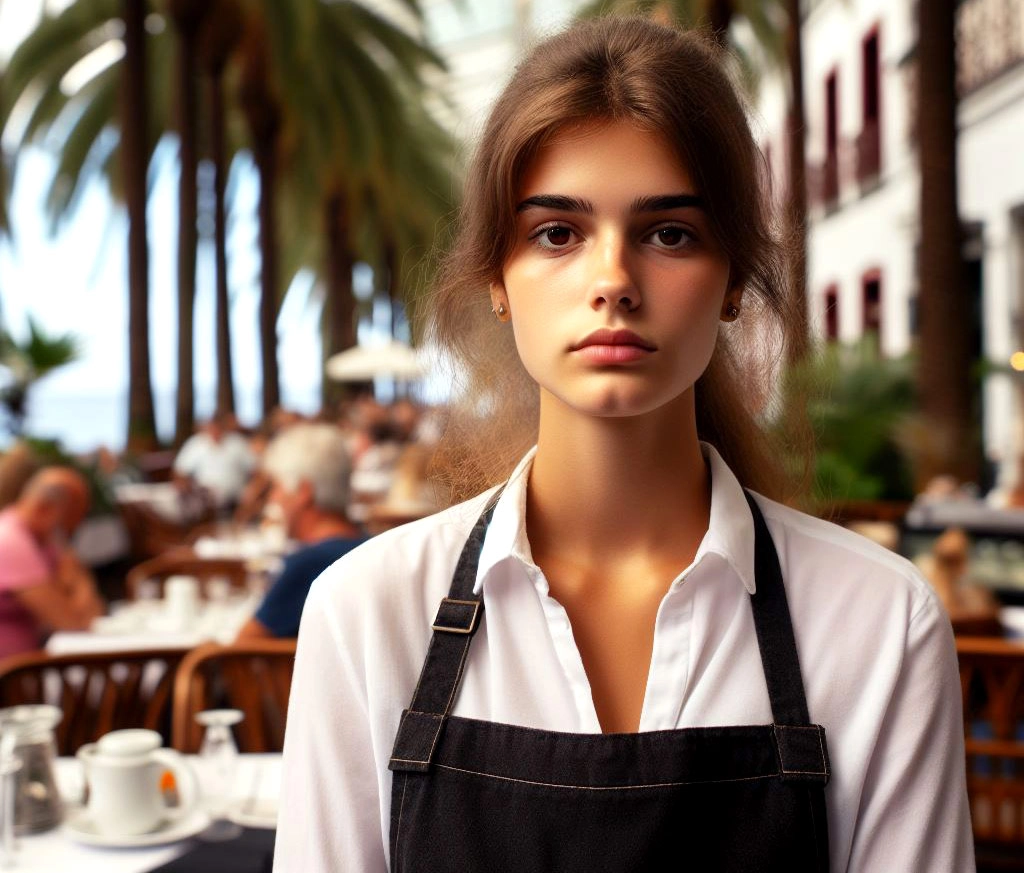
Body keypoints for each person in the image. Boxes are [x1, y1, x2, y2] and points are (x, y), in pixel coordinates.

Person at [276, 19, 974, 872]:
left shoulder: (879, 624)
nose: (612, 280)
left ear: (730, 279)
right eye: (557, 234)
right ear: (498, 278)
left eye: (669, 232)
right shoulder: (365, 614)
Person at [235, 424, 365, 640]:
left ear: (302, 492)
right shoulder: (372, 546)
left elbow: (240, 645)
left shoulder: (310, 565)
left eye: (276, 487)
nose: (272, 498)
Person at [0, 467, 104, 658]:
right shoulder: (11, 542)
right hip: (12, 676)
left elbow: (91, 616)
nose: (71, 533)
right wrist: (78, 576)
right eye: (68, 523)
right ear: (44, 509)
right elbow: (73, 625)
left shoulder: (40, 541)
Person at [172, 412, 255, 511]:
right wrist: (184, 486)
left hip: (234, 498)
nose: (215, 431)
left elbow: (254, 470)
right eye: (212, 427)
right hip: (203, 497)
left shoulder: (238, 443)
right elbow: (180, 470)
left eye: (218, 427)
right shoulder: (196, 443)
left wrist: (252, 490)